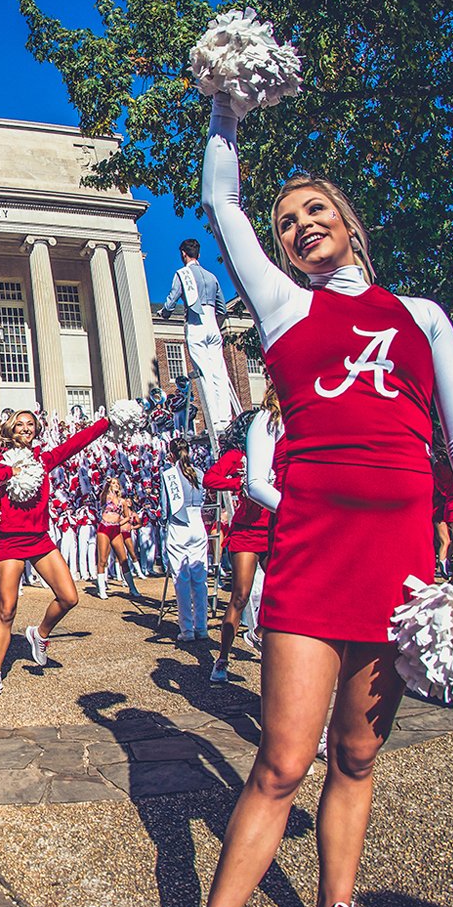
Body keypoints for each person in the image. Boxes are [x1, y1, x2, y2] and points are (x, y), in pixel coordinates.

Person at [163, 85, 453, 907]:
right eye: (289, 222)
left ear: (350, 224)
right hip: (312, 557)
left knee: (357, 757)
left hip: (399, 568)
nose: (302, 226)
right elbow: (223, 204)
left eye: (318, 212)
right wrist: (227, 112)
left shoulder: (423, 315)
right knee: (281, 761)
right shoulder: (281, 309)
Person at [0, 411, 110, 695]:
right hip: (9, 540)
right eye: (19, 424)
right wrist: (10, 472)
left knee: (69, 597)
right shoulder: (2, 458)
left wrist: (106, 423)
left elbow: (76, 443)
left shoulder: (43, 460)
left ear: (36, 430)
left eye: (30, 424)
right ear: (11, 430)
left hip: (39, 538)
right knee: (7, 610)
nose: (25, 428)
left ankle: (39, 633)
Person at [202, 404, 277, 682]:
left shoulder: (274, 455)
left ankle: (258, 633)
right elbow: (211, 478)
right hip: (246, 532)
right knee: (240, 595)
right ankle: (222, 659)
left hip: (272, 529)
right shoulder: (237, 456)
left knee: (284, 588)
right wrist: (238, 483)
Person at [160, 239, 239, 436]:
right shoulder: (212, 277)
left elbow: (172, 300)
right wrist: (214, 324)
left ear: (183, 254)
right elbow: (222, 308)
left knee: (204, 374)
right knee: (219, 373)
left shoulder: (182, 274)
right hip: (213, 323)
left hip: (196, 324)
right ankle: (225, 419)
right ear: (199, 255)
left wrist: (165, 313)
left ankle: (213, 422)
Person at [163, 438, 211, 646]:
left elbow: (166, 508)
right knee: (200, 579)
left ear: (171, 454)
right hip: (197, 522)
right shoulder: (199, 472)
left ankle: (187, 628)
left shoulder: (169, 474)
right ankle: (202, 626)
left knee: (181, 579)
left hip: (178, 524)